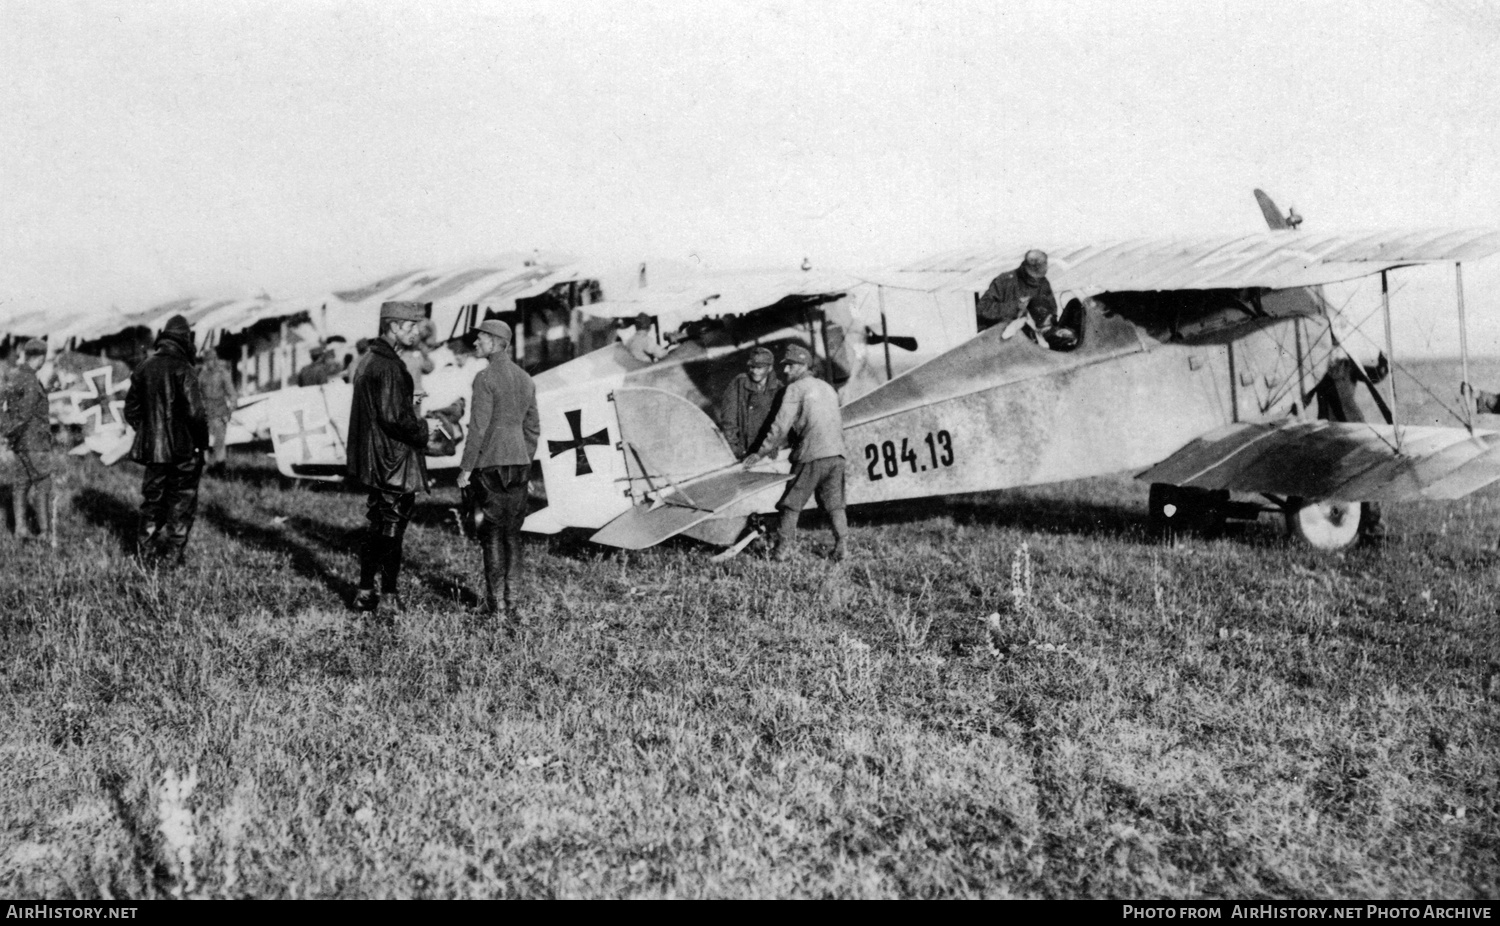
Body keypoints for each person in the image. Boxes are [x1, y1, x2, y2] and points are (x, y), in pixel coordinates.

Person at [346, 301, 430, 615]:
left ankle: (366, 590)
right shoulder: (391, 366)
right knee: (393, 531)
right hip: (394, 460)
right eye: (410, 326)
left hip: (375, 459)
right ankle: (389, 595)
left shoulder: (368, 360)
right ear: (393, 326)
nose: (415, 332)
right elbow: (395, 419)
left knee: (377, 528)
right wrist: (423, 426)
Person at [457, 320, 540, 621]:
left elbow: (478, 428)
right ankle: (513, 603)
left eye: (480, 338)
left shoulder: (484, 377)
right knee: (513, 535)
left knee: (491, 535)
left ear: (494, 343)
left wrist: (466, 468)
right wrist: (525, 462)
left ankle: (496, 605)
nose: (476, 343)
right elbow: (532, 428)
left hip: (490, 464)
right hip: (519, 464)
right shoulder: (525, 378)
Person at [743, 342, 850, 561]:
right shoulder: (827, 388)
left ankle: (783, 550)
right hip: (837, 454)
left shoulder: (795, 389)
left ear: (802, 365)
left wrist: (760, 453)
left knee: (790, 504)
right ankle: (842, 546)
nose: (785, 371)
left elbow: (781, 425)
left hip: (812, 454)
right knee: (834, 504)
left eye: (790, 366)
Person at [123, 315, 208, 566]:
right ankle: (172, 556)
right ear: (185, 340)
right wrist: (200, 444)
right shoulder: (185, 369)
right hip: (185, 451)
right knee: (182, 501)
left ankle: (145, 553)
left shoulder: (143, 367)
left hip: (154, 452)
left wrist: (149, 432)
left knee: (152, 501)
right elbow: (196, 413)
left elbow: (131, 410)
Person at [2, 339, 56, 547]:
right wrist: (10, 430)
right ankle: (45, 533)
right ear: (40, 357)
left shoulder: (16, 376)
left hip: (21, 443)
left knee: (21, 485)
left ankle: (20, 529)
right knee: (43, 484)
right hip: (35, 441)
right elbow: (24, 415)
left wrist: (8, 432)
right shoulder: (31, 381)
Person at [716, 347, 783, 459]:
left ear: (770, 368)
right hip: (743, 450)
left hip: (766, 451)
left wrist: (772, 446)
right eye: (752, 367)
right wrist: (734, 448)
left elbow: (782, 422)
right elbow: (729, 418)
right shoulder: (739, 383)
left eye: (760, 368)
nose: (755, 371)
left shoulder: (778, 388)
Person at [977, 249, 1056, 336]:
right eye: (1033, 276)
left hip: (1032, 335)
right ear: (1026, 268)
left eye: (1039, 276)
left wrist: (1046, 320)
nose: (1036, 280)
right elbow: (982, 309)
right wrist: (1015, 307)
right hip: (1003, 335)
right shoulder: (1005, 281)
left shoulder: (1043, 282)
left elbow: (1052, 309)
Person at [197, 346, 238, 475]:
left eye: (212, 359)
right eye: (207, 360)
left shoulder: (223, 374)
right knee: (203, 442)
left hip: (220, 411)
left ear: (216, 359)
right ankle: (205, 466)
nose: (210, 362)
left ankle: (220, 467)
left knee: (219, 442)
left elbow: (232, 394)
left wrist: (230, 411)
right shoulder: (202, 375)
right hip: (206, 412)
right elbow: (196, 394)